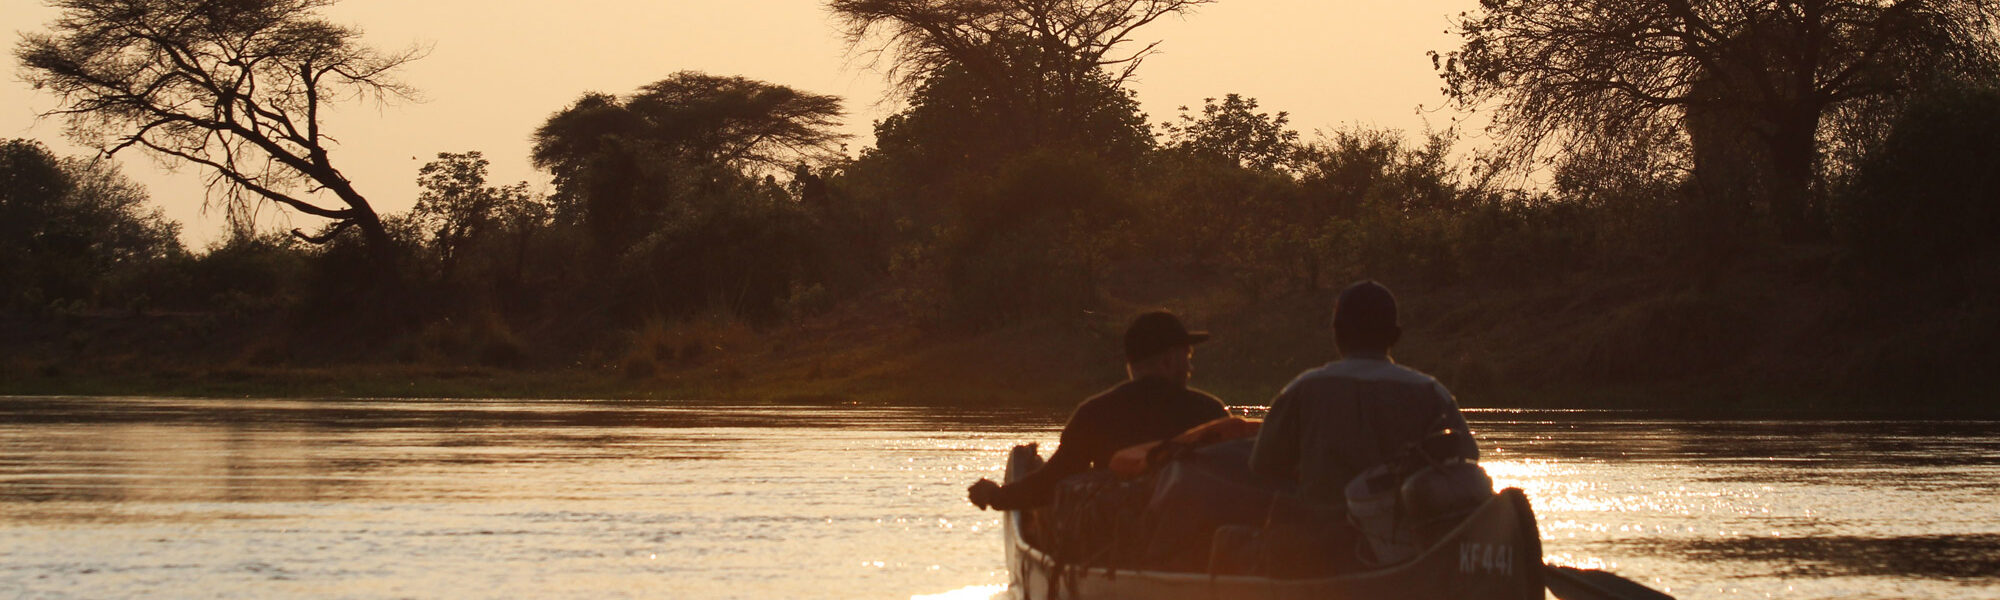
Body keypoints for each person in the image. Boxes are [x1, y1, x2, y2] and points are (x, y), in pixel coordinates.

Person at [967, 310, 1229, 511]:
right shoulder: (1210, 412)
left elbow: (1052, 482)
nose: (1190, 368)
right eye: (1188, 358)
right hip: (1195, 541)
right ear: (1169, 359)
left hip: (1123, 542)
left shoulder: (1095, 413)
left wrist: (997, 495)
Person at [1250, 280, 1478, 509]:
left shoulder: (1302, 389)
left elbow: (1263, 465)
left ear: (1337, 333)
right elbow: (1467, 462)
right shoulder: (1431, 392)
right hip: (1405, 537)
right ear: (1395, 336)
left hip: (1317, 532)